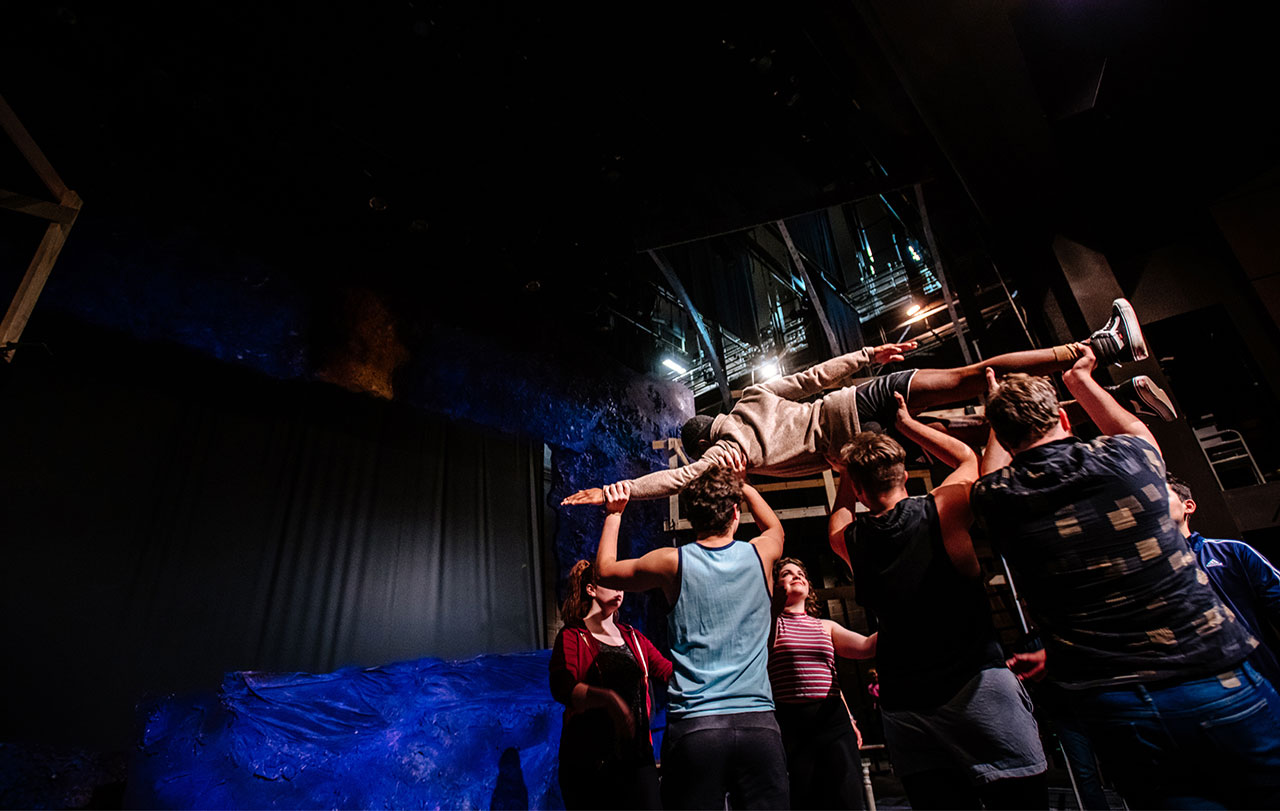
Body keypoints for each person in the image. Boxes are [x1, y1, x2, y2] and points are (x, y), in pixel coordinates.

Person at [971, 349, 1280, 809]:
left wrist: (996, 419)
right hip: (1215, 677)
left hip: (1116, 704)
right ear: (1063, 418)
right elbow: (1135, 428)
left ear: (1004, 436)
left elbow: (989, 472)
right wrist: (1080, 380)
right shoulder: (1128, 460)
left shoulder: (998, 498)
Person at [563, 299, 1148, 505]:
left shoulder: (732, 457)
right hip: (861, 398)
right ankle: (1097, 352)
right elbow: (812, 376)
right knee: (979, 378)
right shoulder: (748, 402)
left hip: (864, 444)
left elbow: (674, 481)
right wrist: (869, 354)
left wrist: (614, 492)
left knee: (975, 432)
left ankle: (1114, 391)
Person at [829, 392, 1048, 810]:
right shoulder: (943, 509)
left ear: (859, 491)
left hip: (906, 702)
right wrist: (906, 423)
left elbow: (839, 514)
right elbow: (967, 459)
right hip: (976, 686)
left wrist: (844, 473)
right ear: (905, 476)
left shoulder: (849, 540)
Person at [594, 469, 789, 810]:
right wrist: (742, 483)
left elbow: (606, 571)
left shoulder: (672, 562)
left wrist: (614, 513)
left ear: (689, 516)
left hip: (696, 727)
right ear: (734, 512)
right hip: (758, 725)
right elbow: (775, 528)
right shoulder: (761, 553)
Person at [548, 559, 674, 810]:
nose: (619, 589)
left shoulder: (633, 637)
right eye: (611, 583)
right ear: (591, 589)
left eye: (621, 584)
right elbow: (563, 687)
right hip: (592, 761)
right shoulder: (573, 636)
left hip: (638, 757)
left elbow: (668, 672)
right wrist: (608, 699)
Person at [768, 556, 876, 810]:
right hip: (792, 722)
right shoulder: (771, 624)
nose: (797, 575)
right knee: (807, 797)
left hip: (832, 718)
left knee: (848, 796)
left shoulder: (825, 626)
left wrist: (849, 719)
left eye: (801, 573)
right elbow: (762, 650)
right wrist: (773, 608)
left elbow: (866, 646)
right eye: (787, 573)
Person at [1168, 473, 1280, 687]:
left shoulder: (1233, 552)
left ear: (1188, 506)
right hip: (1200, 692)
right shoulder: (1148, 573)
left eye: (1161, 493)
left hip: (1262, 678)